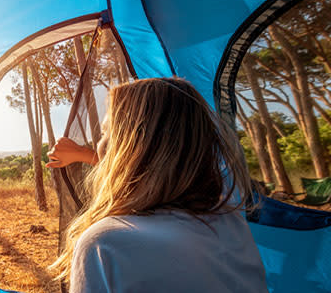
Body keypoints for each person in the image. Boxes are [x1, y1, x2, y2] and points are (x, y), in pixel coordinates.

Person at [47, 78, 267, 292]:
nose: (99, 143)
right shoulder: (230, 222)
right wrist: (81, 154)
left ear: (134, 149)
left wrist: (81, 154)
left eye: (106, 133)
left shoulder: (107, 244)